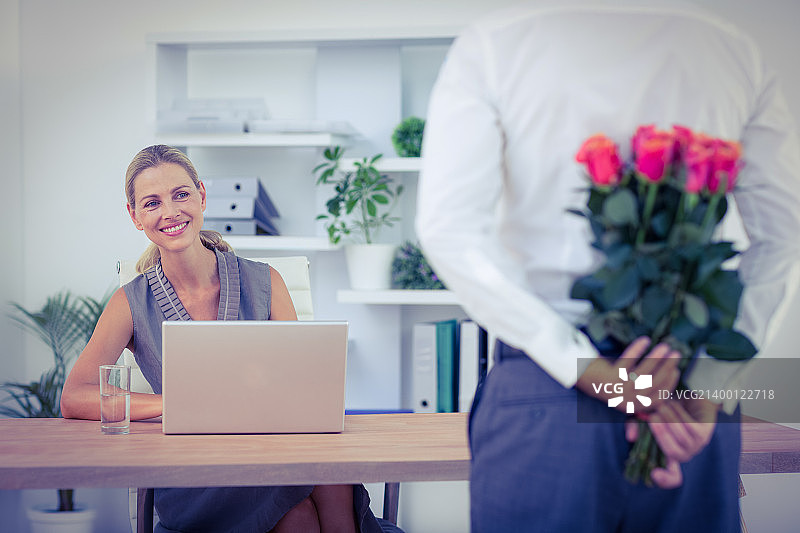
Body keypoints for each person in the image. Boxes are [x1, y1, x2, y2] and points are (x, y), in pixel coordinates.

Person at [416, 1, 800, 532]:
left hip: (548, 390)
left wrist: (591, 371)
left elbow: (448, 230)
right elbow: (785, 234)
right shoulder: (733, 48)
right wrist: (711, 382)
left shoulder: (496, 42)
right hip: (683, 388)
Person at [61, 145, 396, 533]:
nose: (170, 212)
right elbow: (75, 397)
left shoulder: (266, 280)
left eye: (181, 194)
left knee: (326, 482)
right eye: (152, 203)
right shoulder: (130, 302)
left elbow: (301, 388)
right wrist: (174, 404)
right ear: (135, 216)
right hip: (195, 474)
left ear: (202, 195)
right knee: (303, 508)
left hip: (270, 455)